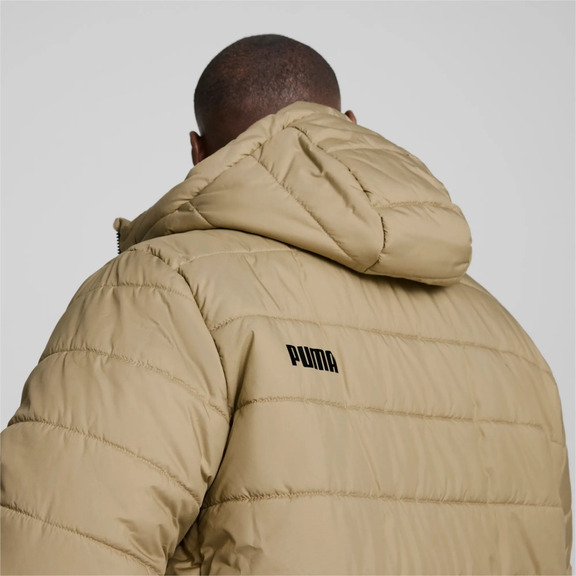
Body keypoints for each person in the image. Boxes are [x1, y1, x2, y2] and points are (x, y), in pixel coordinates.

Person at [0, 34, 571, 575]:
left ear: (197, 153)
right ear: (348, 127)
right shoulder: (503, 333)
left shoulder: (164, 291)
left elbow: (59, 550)